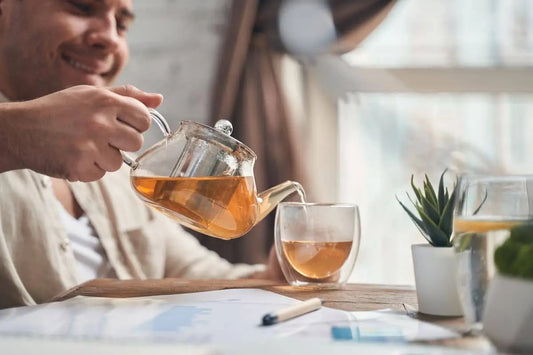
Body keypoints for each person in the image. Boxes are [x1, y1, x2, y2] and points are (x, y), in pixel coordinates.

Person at [0, 0, 283, 309]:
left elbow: (194, 274)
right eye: (81, 8)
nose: (110, 38)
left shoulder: (121, 172)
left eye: (121, 25)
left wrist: (273, 275)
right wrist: (15, 135)